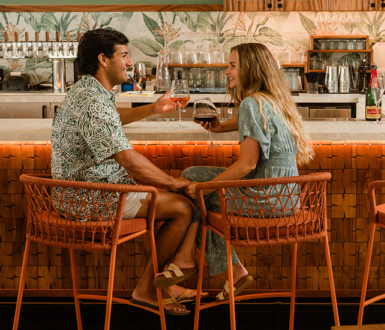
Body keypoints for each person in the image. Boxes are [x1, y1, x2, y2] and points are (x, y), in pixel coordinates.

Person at [50, 29, 198, 315]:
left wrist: (153, 107)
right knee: (181, 207)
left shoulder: (88, 90)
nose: (130, 62)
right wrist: (173, 182)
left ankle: (163, 284)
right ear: (103, 59)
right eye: (125, 55)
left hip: (79, 190)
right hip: (90, 197)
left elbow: (113, 120)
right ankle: (146, 289)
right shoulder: (92, 100)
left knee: (162, 201)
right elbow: (129, 161)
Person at [153, 43, 314, 301]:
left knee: (196, 195)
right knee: (192, 173)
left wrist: (205, 188)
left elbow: (247, 164)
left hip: (265, 199)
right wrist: (218, 128)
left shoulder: (252, 103)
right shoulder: (272, 100)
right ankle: (230, 270)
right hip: (285, 196)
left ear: (249, 68)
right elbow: (252, 125)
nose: (226, 71)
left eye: (232, 65)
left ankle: (191, 260)